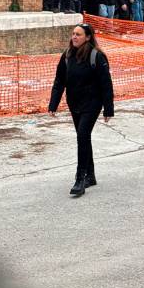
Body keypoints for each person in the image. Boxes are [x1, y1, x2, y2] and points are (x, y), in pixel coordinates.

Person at [49, 24, 115, 196]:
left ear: (87, 37)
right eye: (73, 34)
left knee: (82, 136)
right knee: (83, 137)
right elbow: (59, 81)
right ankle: (90, 175)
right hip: (75, 103)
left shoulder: (97, 56)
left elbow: (106, 84)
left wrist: (108, 109)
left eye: (78, 34)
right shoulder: (67, 55)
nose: (74, 37)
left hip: (92, 103)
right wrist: (53, 104)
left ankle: (80, 179)